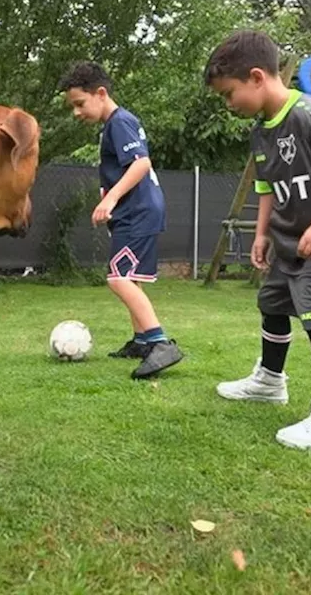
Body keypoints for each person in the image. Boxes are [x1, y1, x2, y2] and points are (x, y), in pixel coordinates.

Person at [203, 30, 311, 450]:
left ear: (257, 77)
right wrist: (262, 234)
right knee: (273, 305)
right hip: (287, 242)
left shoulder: (308, 115)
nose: (229, 105)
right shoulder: (261, 132)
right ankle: (269, 382)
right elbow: (266, 188)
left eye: (230, 93)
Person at [59, 61, 184, 381]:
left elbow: (141, 164)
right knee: (133, 276)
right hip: (139, 211)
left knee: (118, 278)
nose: (76, 112)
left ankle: (159, 342)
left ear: (100, 93)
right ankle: (142, 341)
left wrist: (111, 199)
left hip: (137, 211)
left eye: (79, 104)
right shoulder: (115, 124)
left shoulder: (120, 122)